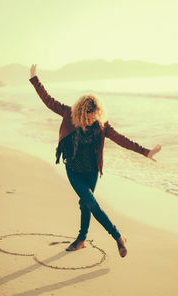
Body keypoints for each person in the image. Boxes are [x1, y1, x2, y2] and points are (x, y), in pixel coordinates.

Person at [29, 64, 162, 258]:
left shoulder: (102, 126)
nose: (90, 121)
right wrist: (35, 79)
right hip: (73, 170)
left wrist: (146, 152)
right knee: (91, 204)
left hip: (91, 172)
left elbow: (122, 140)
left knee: (85, 204)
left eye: (93, 117)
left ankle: (81, 240)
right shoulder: (68, 114)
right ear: (80, 113)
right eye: (87, 117)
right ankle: (118, 237)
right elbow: (48, 100)